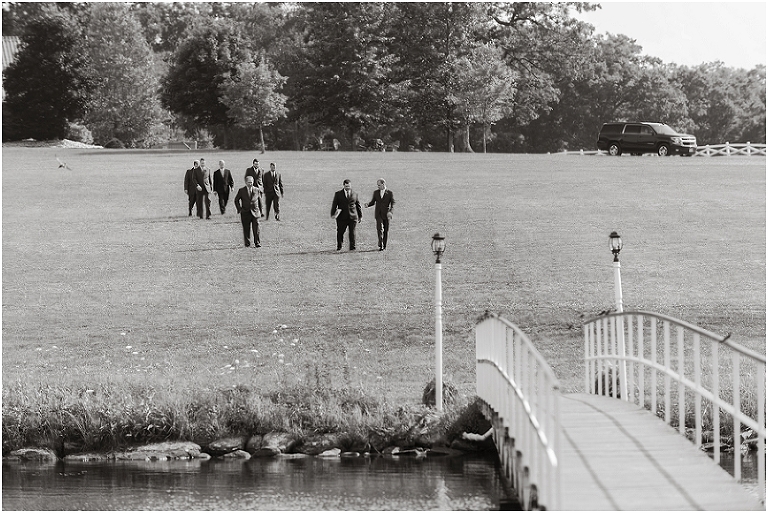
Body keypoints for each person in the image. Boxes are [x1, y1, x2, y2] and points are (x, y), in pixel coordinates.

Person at [330, 179, 362, 251]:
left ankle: (352, 247)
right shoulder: (338, 194)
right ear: (343, 185)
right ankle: (339, 246)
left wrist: (360, 216)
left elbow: (358, 205)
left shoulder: (354, 194)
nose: (348, 188)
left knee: (352, 232)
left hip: (352, 217)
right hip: (341, 217)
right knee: (340, 232)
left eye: (349, 186)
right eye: (346, 186)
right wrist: (333, 214)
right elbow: (334, 205)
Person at [364, 178, 395, 250]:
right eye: (377, 185)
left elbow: (393, 204)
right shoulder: (376, 192)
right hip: (378, 214)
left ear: (383, 184)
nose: (378, 187)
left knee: (386, 230)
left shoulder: (390, 193)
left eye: (379, 185)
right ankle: (380, 244)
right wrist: (368, 204)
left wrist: (390, 212)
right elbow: (373, 202)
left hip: (386, 214)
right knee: (379, 229)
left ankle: (384, 245)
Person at [234, 175, 262, 248]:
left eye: (251, 182)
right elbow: (236, 200)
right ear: (246, 182)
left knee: (256, 229)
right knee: (246, 229)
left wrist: (260, 211)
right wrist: (239, 209)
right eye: (249, 182)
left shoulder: (257, 190)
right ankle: (247, 243)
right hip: (245, 213)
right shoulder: (241, 190)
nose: (250, 184)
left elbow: (260, 201)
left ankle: (257, 243)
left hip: (255, 213)